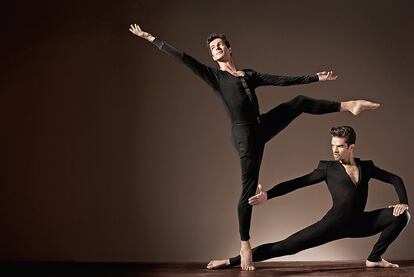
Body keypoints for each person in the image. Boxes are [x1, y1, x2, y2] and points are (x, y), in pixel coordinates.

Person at [129, 24, 380, 270]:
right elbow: (183, 58)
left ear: (229, 48)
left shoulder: (248, 75)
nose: (215, 49)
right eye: (212, 48)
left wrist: (314, 77)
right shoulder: (215, 76)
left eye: (219, 45)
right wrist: (151, 38)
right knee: (248, 187)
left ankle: (349, 105)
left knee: (299, 102)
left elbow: (281, 80)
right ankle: (244, 245)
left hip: (261, 126)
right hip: (245, 136)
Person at [207, 126, 409, 270]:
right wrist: (268, 195)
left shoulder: (367, 167)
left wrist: (403, 201)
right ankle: (231, 260)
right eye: (332, 145)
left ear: (351, 147)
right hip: (332, 225)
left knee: (402, 215)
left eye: (339, 146)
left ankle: (374, 258)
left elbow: (395, 178)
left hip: (360, 223)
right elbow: (298, 182)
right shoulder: (328, 168)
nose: (334, 150)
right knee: (286, 247)